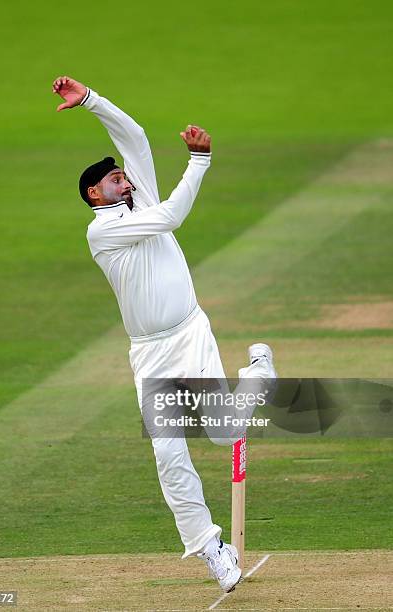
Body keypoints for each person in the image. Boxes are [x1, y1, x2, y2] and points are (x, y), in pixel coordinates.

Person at [52, 75, 277, 592]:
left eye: (125, 178)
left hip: (190, 331)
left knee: (224, 433)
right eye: (115, 180)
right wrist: (200, 162)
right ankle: (209, 548)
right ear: (95, 193)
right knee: (168, 454)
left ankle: (259, 375)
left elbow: (132, 137)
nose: (125, 181)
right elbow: (172, 216)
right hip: (149, 352)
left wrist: (90, 101)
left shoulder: (141, 195)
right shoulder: (101, 230)